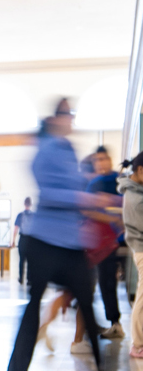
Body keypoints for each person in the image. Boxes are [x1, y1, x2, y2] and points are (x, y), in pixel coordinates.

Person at [5, 106, 122, 371]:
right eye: (68, 113)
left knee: (86, 303)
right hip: (44, 241)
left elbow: (77, 186)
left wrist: (99, 197)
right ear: (56, 118)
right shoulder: (45, 149)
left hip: (70, 243)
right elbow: (51, 192)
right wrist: (85, 197)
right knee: (34, 306)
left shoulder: (69, 149)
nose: (72, 118)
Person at [86, 145, 125, 338]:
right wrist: (111, 218)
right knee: (106, 283)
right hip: (105, 243)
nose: (100, 163)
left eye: (103, 159)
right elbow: (87, 210)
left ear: (109, 159)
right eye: (97, 160)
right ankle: (115, 323)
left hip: (127, 239)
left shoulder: (121, 180)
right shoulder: (94, 184)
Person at [119, 153, 143, 360]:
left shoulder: (136, 191)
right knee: (142, 300)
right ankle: (138, 345)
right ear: (141, 170)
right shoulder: (135, 199)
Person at [11, 197, 34, 285]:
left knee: (22, 260)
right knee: (30, 261)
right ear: (30, 204)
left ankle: (21, 279)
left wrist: (13, 240)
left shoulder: (20, 215)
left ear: (24, 204)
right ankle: (29, 280)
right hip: (31, 240)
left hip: (22, 239)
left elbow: (16, 229)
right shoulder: (33, 215)